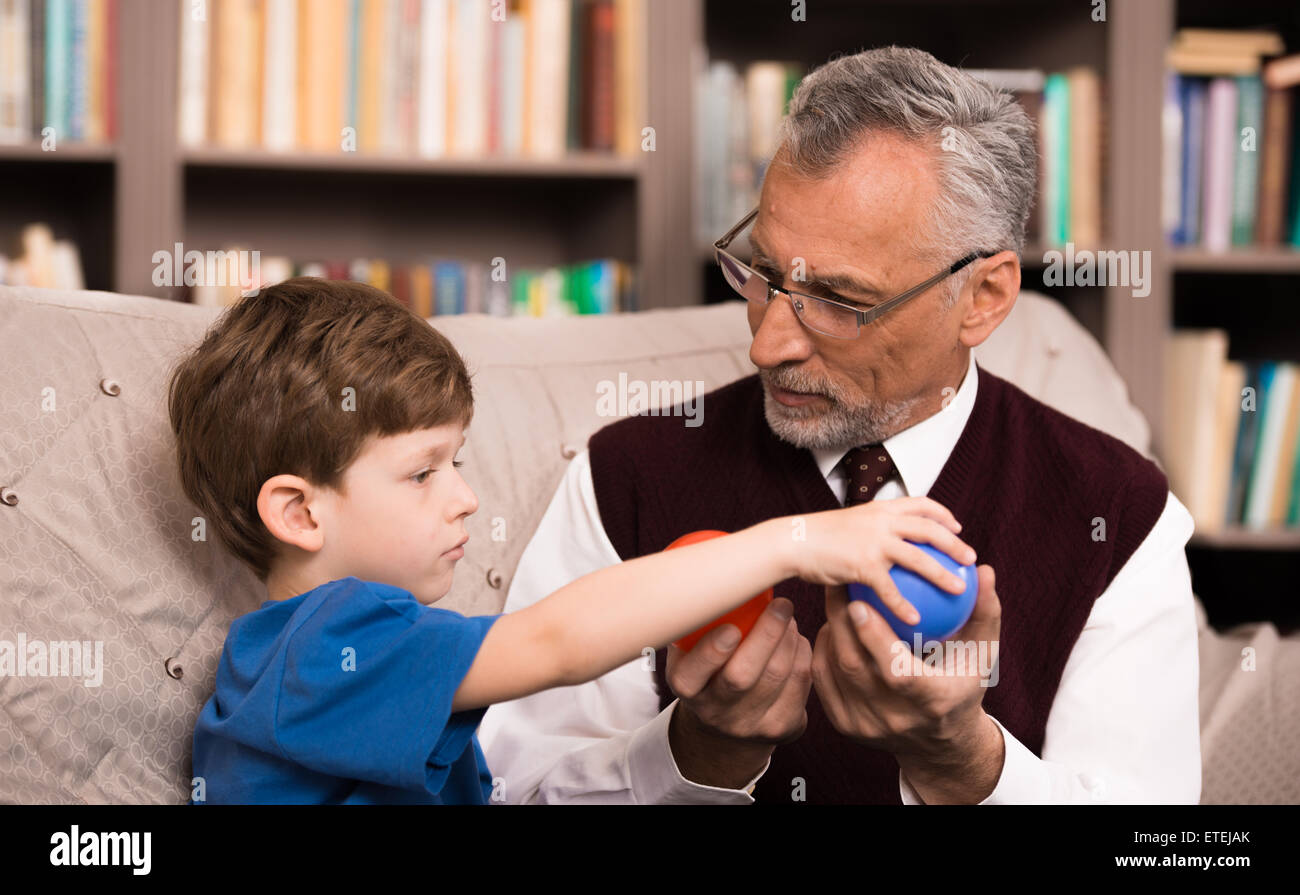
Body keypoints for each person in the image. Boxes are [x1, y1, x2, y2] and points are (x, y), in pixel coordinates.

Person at [478, 46, 1201, 805]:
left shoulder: (1118, 511)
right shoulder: (626, 475)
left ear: (983, 297)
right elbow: (505, 789)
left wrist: (962, 763)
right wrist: (696, 754)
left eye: (838, 301)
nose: (767, 346)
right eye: (762, 274)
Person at [168, 276, 974, 804]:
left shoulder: (320, 652)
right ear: (299, 514)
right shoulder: (327, 648)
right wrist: (793, 543)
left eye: (458, 463)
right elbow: (558, 641)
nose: (465, 498)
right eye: (422, 473)